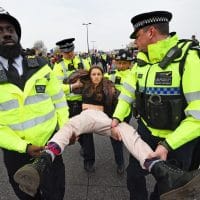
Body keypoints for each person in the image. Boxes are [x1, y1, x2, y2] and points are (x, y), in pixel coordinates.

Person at [14, 66, 200, 200]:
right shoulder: (83, 83)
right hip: (85, 117)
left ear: (103, 75)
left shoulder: (109, 86)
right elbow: (59, 86)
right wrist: (74, 82)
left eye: (98, 74)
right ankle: (43, 160)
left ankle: (159, 167)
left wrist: (119, 119)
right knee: (68, 127)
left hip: (103, 120)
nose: (95, 76)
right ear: (89, 74)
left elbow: (124, 98)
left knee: (127, 131)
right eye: (93, 73)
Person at [111, 10, 200, 200]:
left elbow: (198, 115)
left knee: (168, 190)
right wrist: (117, 118)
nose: (135, 41)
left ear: (150, 32)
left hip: (178, 140)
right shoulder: (141, 62)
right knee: (134, 177)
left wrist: (167, 145)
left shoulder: (189, 59)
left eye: (137, 35)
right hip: (146, 133)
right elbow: (127, 93)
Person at [0, 7, 69, 200]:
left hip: (51, 146)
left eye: (10, 29)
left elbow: (60, 102)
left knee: (56, 192)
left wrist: (64, 132)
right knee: (27, 195)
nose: (6, 33)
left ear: (18, 35)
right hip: (16, 153)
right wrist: (24, 146)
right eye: (0, 31)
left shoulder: (41, 65)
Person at [53, 38, 95, 172]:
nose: (69, 54)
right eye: (66, 52)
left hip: (85, 102)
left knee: (87, 132)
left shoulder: (84, 61)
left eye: (71, 51)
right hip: (69, 104)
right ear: (61, 52)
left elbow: (93, 77)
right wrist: (72, 87)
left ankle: (89, 161)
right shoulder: (58, 66)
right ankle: (83, 147)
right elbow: (56, 87)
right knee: (76, 132)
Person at [105, 49, 135, 174]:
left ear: (130, 64)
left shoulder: (134, 75)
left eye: (124, 63)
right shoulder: (111, 75)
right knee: (116, 138)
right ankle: (120, 163)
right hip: (112, 112)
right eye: (119, 63)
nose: (121, 66)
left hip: (126, 112)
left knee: (123, 133)